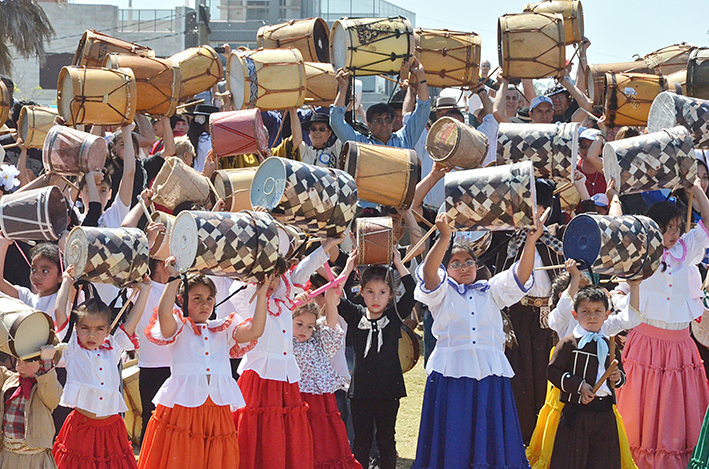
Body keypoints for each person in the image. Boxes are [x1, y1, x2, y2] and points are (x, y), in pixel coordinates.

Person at [411, 209, 540, 469]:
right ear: (447, 268)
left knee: (490, 440)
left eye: (469, 262)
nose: (464, 267)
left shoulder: (491, 291)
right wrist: (444, 237)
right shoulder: (442, 292)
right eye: (455, 263)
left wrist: (531, 241)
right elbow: (429, 275)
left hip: (489, 377)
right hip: (451, 377)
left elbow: (521, 276)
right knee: (453, 438)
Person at [138, 258, 270, 469]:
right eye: (197, 298)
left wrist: (262, 296)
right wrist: (173, 279)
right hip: (183, 407)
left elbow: (255, 331)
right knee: (182, 458)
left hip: (216, 409)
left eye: (209, 299)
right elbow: (164, 319)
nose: (204, 304)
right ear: (182, 300)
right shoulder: (180, 326)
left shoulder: (223, 327)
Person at [616, 177, 709, 469]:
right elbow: (616, 232)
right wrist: (615, 199)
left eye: (677, 227)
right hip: (646, 342)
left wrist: (697, 191)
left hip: (681, 343)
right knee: (644, 408)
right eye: (667, 227)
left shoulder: (687, 249)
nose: (673, 233)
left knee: (676, 411)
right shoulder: (639, 252)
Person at [233, 236, 343, 469]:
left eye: (275, 276)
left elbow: (302, 272)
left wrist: (326, 247)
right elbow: (240, 284)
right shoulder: (250, 298)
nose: (271, 282)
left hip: (285, 378)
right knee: (257, 431)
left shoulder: (284, 299)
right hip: (259, 377)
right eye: (266, 276)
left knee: (284, 433)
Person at [51, 265, 152, 469]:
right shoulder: (72, 346)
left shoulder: (114, 346)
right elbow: (59, 311)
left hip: (111, 428)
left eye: (99, 329)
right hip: (82, 428)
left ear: (108, 330)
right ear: (76, 328)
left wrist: (145, 290)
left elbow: (132, 320)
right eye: (85, 328)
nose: (91, 335)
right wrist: (67, 280)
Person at [334, 246, 415, 469]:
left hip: (389, 389)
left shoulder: (394, 315)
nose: (375, 298)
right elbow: (334, 294)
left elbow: (413, 292)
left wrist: (399, 264)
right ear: (361, 291)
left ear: (390, 295)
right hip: (361, 391)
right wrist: (349, 267)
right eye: (370, 291)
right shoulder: (355, 313)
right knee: (361, 442)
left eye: (382, 292)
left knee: (386, 441)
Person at [547, 286, 626, 469]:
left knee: (603, 461)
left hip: (605, 412)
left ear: (606, 315)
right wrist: (580, 386)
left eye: (598, 311)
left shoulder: (610, 346)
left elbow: (621, 377)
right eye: (585, 311)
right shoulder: (568, 343)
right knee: (572, 461)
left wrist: (617, 376)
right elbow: (553, 372)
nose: (592, 316)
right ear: (575, 314)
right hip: (577, 414)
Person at [295, 296, 361, 469]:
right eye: (299, 324)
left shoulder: (317, 341)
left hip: (321, 399)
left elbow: (331, 324)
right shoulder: (285, 342)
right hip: (297, 397)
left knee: (323, 437)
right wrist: (292, 305)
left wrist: (331, 301)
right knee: (301, 437)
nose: (304, 330)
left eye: (310, 326)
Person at [329, 59, 430, 150]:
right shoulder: (359, 143)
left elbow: (423, 109)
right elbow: (335, 121)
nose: (384, 124)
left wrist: (421, 76)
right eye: (379, 121)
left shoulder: (404, 139)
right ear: (368, 125)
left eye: (388, 120)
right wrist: (343, 88)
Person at [0, 344, 62, 469]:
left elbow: (51, 393)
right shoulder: (9, 379)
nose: (20, 365)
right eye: (19, 359)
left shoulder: (45, 389)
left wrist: (47, 361)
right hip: (8, 455)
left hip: (35, 459)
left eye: (28, 361)